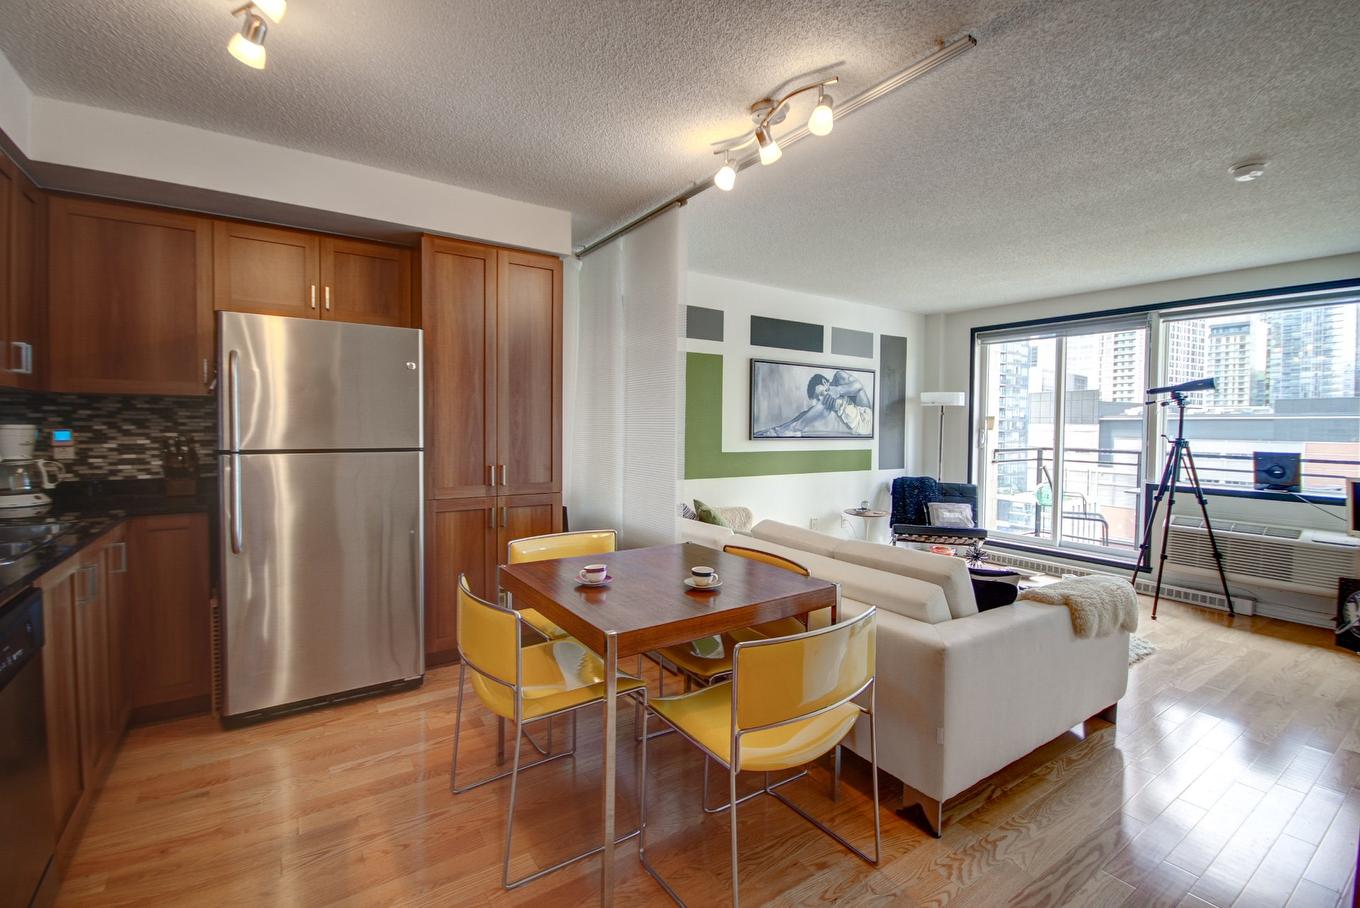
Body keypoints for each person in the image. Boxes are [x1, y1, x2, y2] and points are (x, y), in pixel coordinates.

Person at [756, 370, 872, 436]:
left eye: (820, 392)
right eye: (818, 397)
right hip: (858, 427)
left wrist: (838, 390)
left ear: (824, 382)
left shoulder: (839, 376)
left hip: (866, 420)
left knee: (828, 400)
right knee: (813, 409)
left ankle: (791, 430)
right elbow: (809, 412)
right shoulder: (829, 399)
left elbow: (859, 387)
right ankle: (779, 429)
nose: (821, 398)